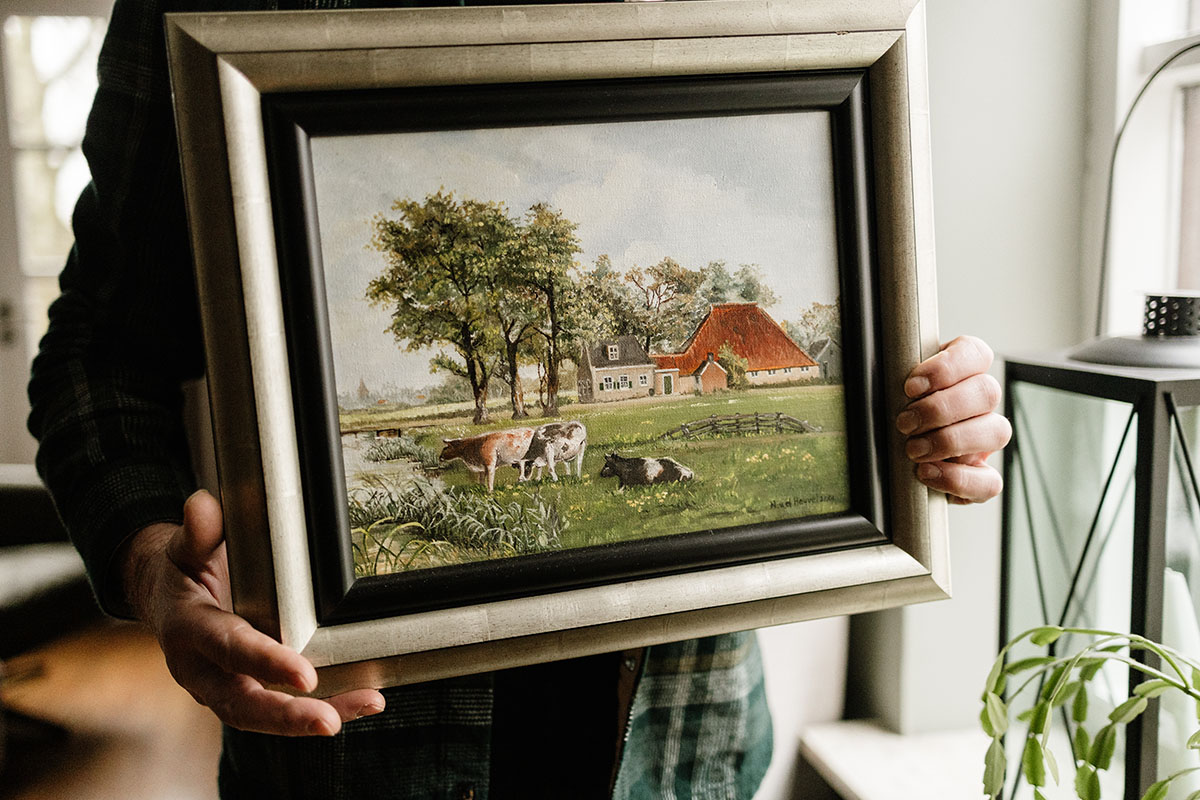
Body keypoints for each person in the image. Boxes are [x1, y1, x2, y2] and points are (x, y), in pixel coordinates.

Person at [26, 0, 1012, 797]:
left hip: (682, 751)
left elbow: (854, 281)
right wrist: (155, 567)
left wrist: (923, 410)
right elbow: (97, 354)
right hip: (354, 760)